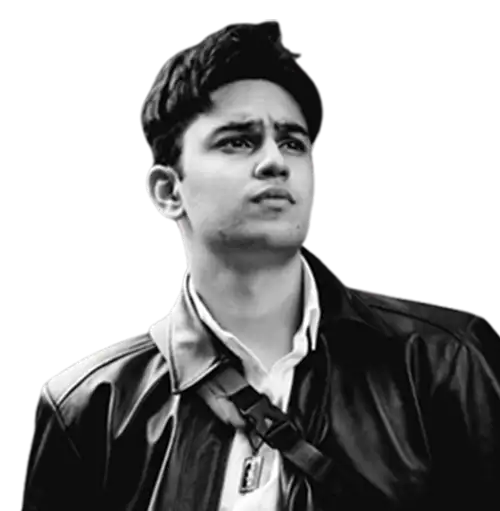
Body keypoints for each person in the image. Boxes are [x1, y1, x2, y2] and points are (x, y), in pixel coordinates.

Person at [22, 16, 499, 511]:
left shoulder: (444, 364)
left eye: (292, 142)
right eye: (238, 140)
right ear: (166, 191)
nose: (275, 161)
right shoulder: (90, 407)